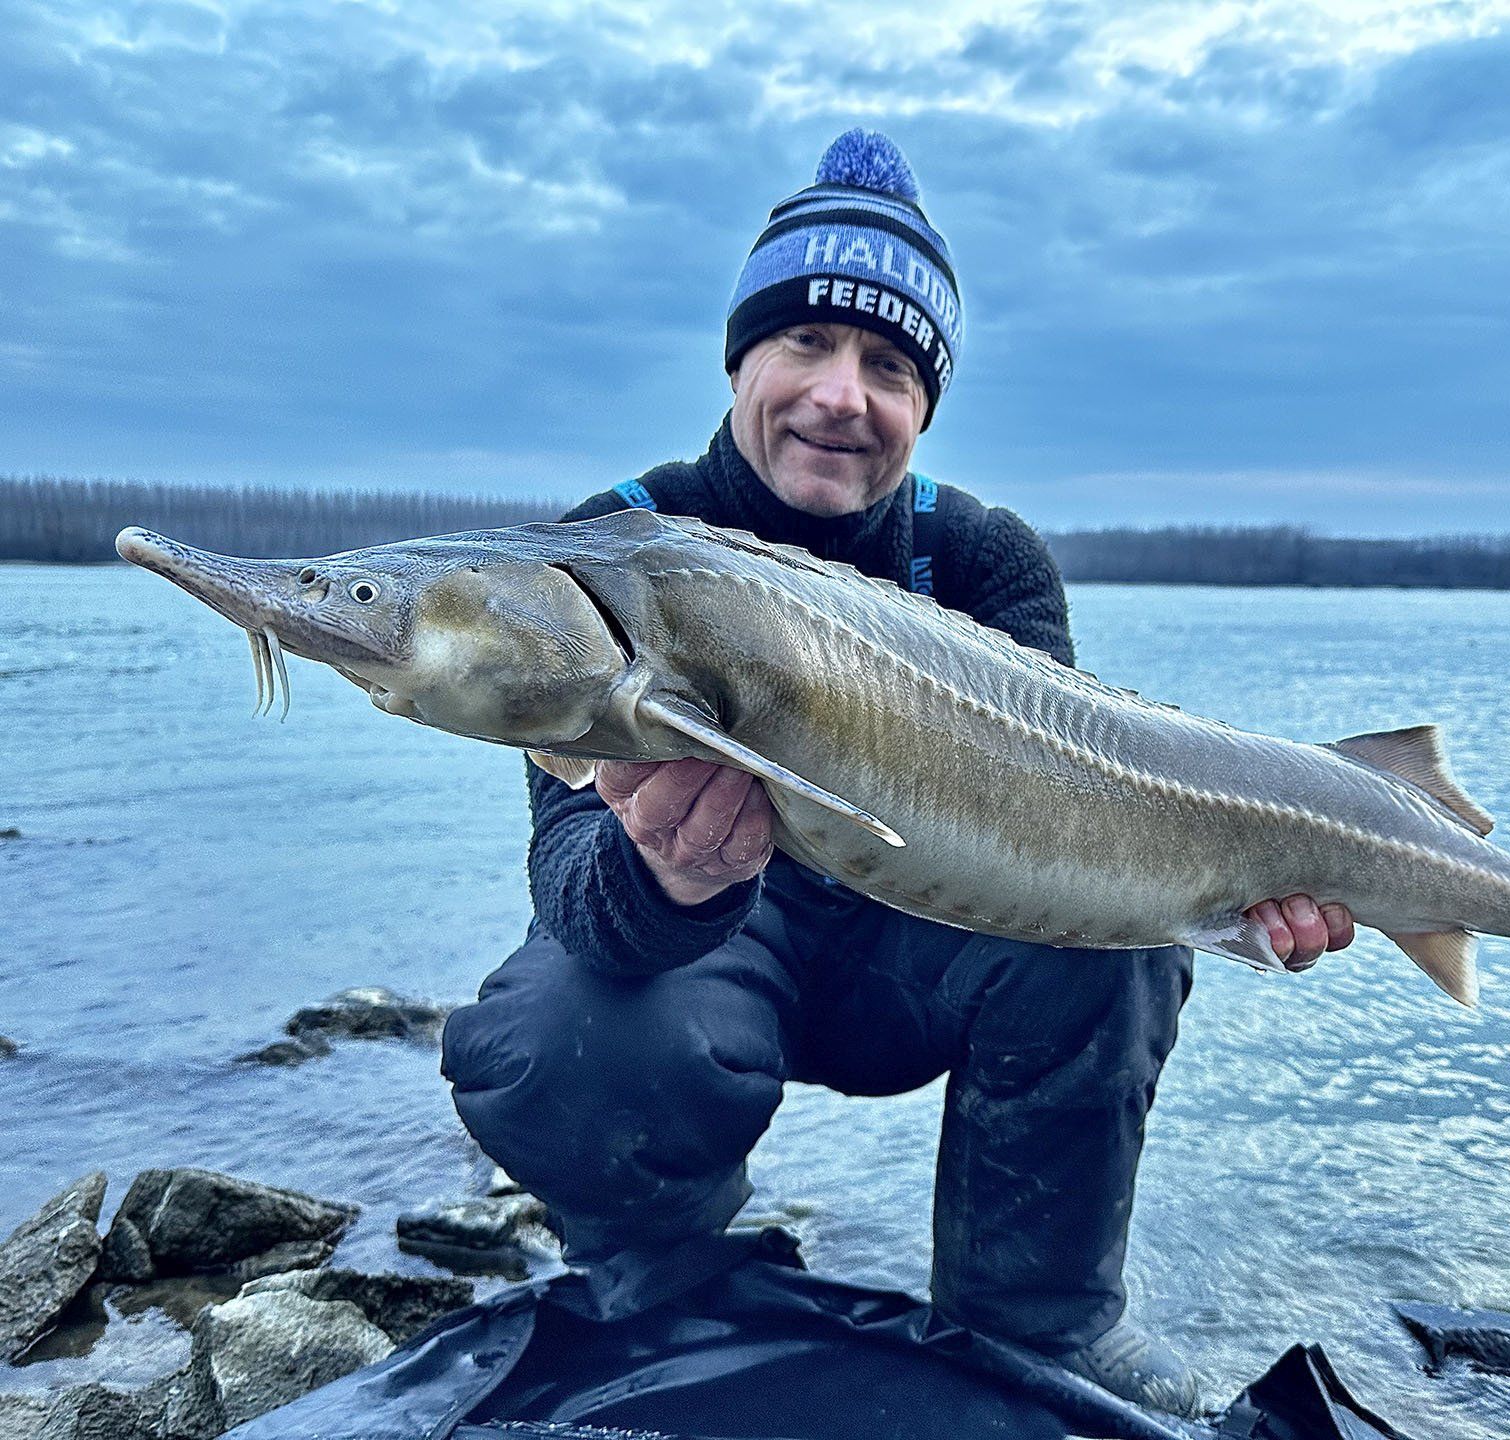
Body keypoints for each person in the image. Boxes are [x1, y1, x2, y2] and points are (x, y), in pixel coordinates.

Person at [440, 129, 1354, 1418]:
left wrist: (1232, 890)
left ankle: (1036, 1324)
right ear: (742, 359)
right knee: (551, 1032)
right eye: (804, 344)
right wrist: (667, 878)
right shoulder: (606, 552)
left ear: (924, 402)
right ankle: (666, 1282)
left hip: (932, 942)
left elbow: (1084, 808)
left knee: (1128, 940)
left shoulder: (981, 558)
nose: (839, 394)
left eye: (887, 363)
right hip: (715, 957)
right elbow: (571, 884)